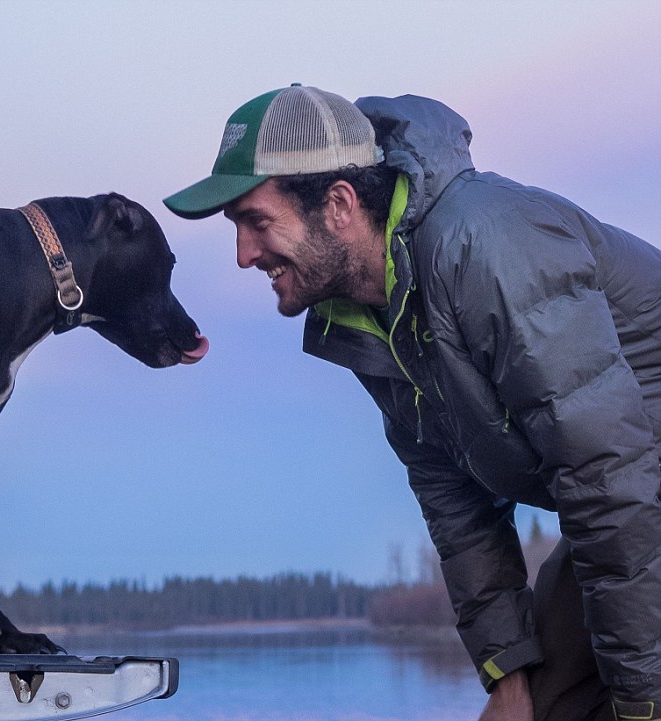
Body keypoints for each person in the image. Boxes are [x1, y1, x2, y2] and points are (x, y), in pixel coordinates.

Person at [163, 84, 661, 721]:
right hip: (631, 500)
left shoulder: (485, 246)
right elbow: (455, 503)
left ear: (338, 204)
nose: (243, 255)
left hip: (631, 492)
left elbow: (607, 475)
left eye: (256, 221)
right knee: (547, 705)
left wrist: (642, 699)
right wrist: (508, 677)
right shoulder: (365, 319)